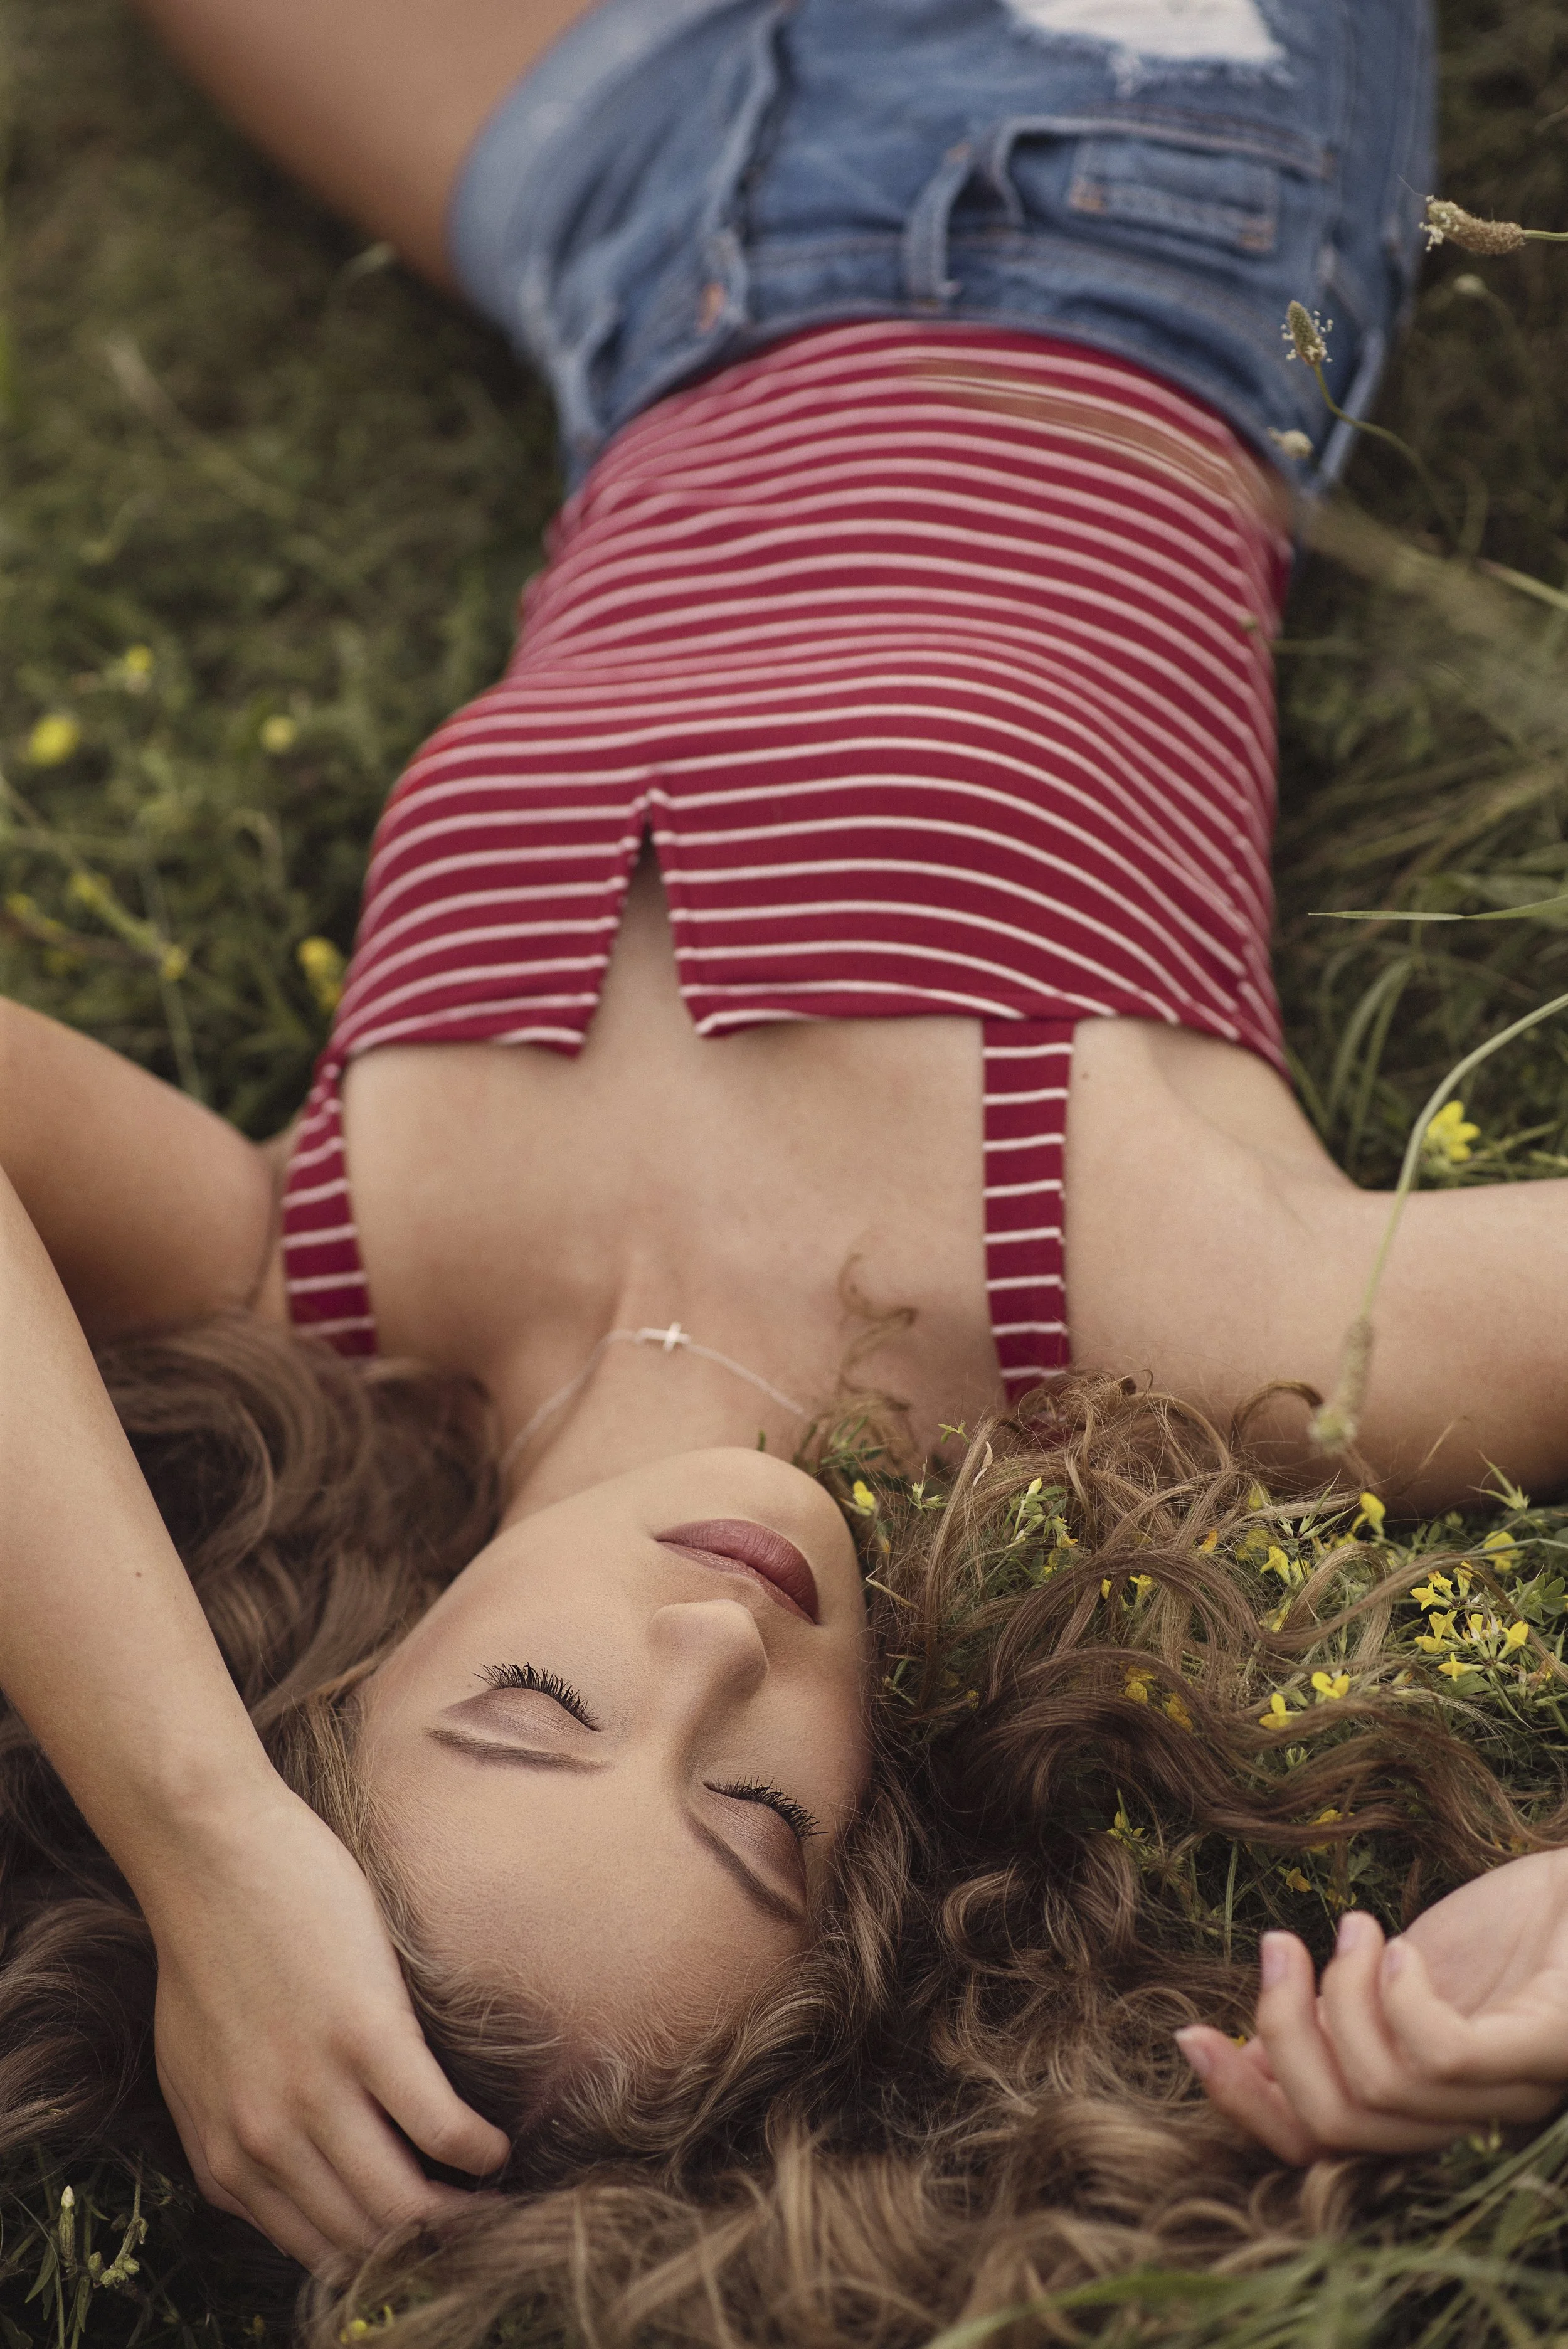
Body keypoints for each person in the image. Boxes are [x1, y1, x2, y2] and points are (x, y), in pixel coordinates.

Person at [7, 0, 1568, 2328]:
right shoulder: (1160, 1321)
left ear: (342, 1688)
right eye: (758, 1822)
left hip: (637, 246)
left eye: (538, 1716)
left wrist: (202, 1836)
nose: (718, 1648)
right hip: (1099, 174)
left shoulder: (312, 1277)